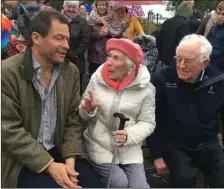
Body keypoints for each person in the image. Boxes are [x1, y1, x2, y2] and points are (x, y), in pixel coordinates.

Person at [1, 9, 103, 188]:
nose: (67, 45)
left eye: (67, 38)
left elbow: (72, 121)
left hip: (60, 150)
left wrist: (70, 160)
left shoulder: (70, 72)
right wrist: (49, 165)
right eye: (59, 38)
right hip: (21, 159)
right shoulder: (8, 73)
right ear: (36, 38)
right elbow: (9, 130)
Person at [147, 34, 224, 188]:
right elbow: (152, 118)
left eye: (188, 61)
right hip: (174, 142)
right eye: (179, 58)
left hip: (207, 142)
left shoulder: (217, 80)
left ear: (205, 63)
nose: (181, 65)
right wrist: (156, 155)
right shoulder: (162, 78)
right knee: (184, 179)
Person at [79, 38, 156, 188]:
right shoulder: (97, 78)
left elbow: (148, 122)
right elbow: (82, 113)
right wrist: (87, 109)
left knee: (139, 186)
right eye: (109, 56)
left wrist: (129, 135)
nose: (108, 62)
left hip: (129, 148)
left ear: (131, 67)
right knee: (119, 183)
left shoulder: (146, 88)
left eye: (116, 58)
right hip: (99, 144)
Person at [87, 0, 127, 73]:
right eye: (99, 5)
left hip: (109, 54)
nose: (101, 7)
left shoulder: (113, 17)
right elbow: (87, 36)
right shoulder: (90, 18)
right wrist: (99, 34)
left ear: (107, 6)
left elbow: (116, 35)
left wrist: (109, 32)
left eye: (103, 5)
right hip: (95, 56)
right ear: (96, 6)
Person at [62, 1, 90, 94]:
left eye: (73, 7)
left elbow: (86, 39)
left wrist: (76, 53)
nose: (71, 9)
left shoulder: (82, 21)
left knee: (76, 85)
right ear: (64, 7)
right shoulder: (58, 19)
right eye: (68, 6)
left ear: (77, 9)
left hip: (77, 59)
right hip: (60, 57)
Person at [207, 1, 224, 72]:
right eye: (218, 13)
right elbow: (206, 44)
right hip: (211, 67)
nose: (220, 17)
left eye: (223, 14)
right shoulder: (214, 27)